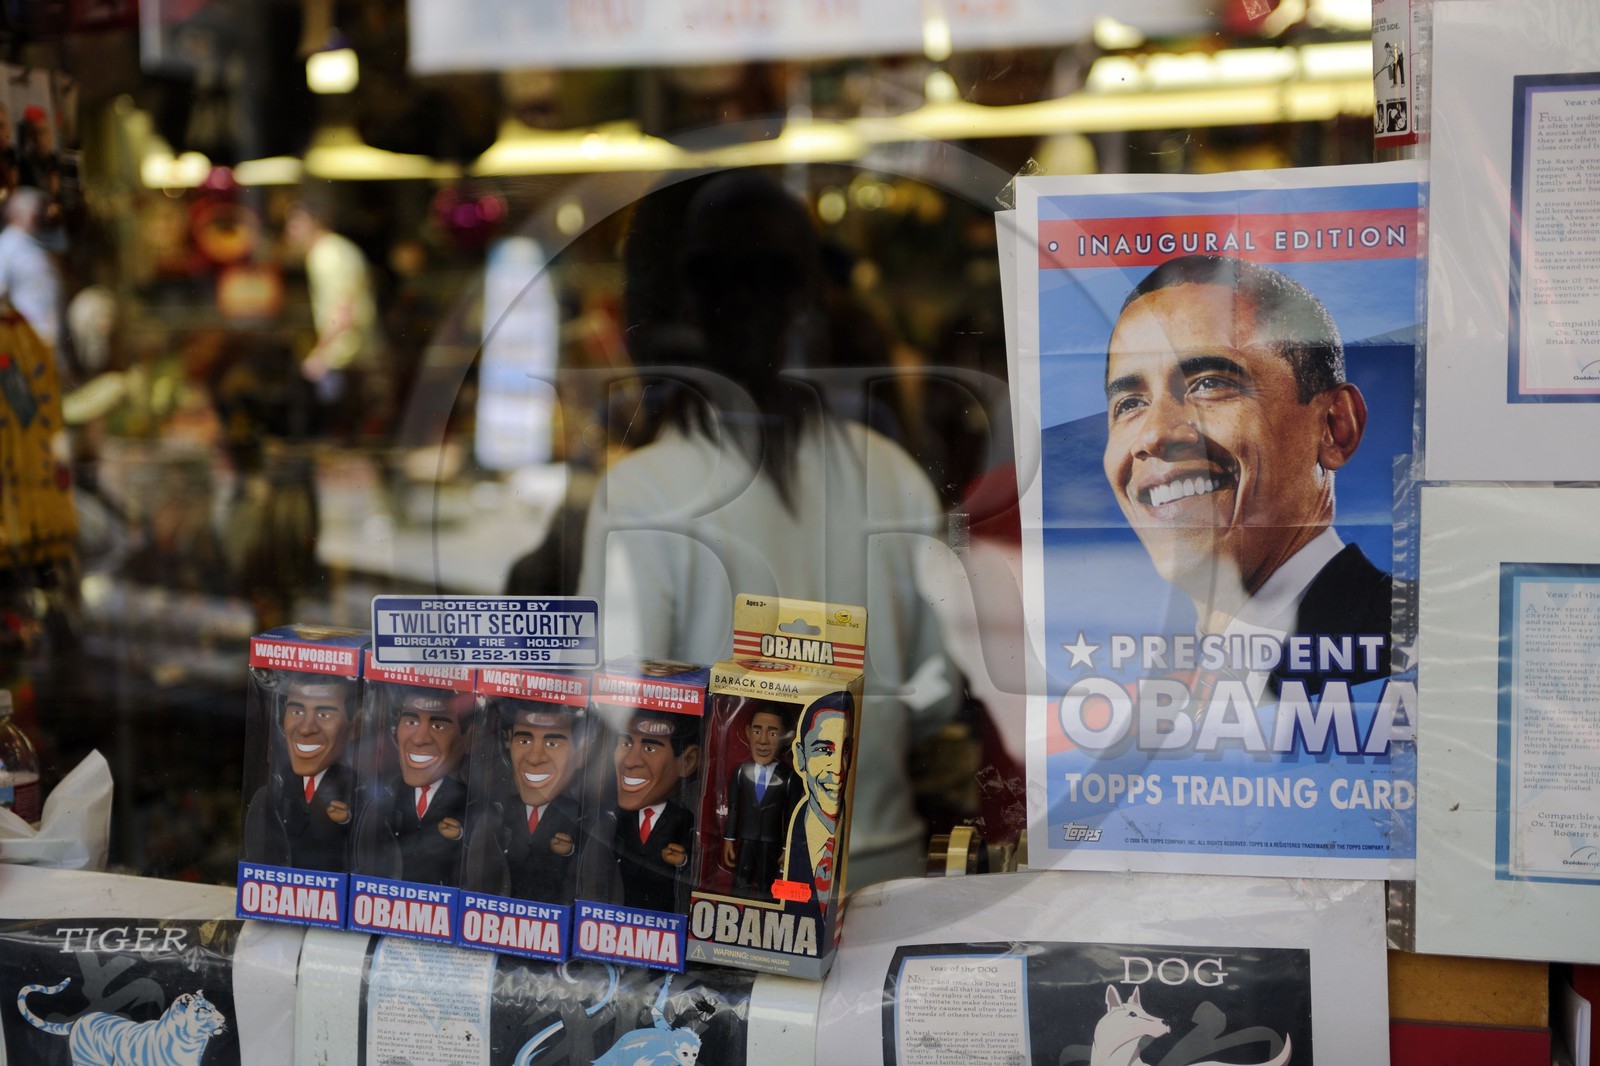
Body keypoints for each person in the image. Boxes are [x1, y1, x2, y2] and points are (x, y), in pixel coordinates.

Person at [577, 170, 962, 889]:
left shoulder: (643, 490)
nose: (751, 303)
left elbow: (621, 710)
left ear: (691, 303)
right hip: (871, 868)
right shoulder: (894, 475)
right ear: (812, 299)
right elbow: (934, 693)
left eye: (764, 280)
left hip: (726, 878)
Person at [1101, 254, 1392, 691]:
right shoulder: (1140, 680)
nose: (1154, 435)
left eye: (1211, 383)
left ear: (1335, 427)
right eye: (1130, 404)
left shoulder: (1417, 642)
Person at [283, 198, 386, 437]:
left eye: (295, 223)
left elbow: (343, 311)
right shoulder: (338, 249)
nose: (290, 231)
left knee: (342, 435)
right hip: (358, 356)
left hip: (346, 358)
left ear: (314, 222)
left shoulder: (326, 255)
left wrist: (320, 354)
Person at [242, 673, 358, 872]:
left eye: (324, 715)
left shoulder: (355, 788)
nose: (306, 728)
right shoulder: (275, 788)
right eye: (296, 712)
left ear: (355, 727)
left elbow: (369, 850)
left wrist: (347, 820)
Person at [608, 709, 700, 914]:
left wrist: (682, 860)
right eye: (626, 744)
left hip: (664, 902)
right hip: (624, 897)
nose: (630, 761)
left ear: (687, 761)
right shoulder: (622, 815)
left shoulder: (681, 818)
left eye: (650, 748)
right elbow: (613, 846)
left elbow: (693, 862)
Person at [499, 703, 588, 905]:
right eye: (524, 740)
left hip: (552, 902)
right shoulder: (506, 806)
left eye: (552, 744)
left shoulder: (574, 813)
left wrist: (569, 850)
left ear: (581, 752)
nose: (535, 757)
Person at [387, 689, 474, 886]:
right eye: (411, 722)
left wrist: (460, 835)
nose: (419, 739)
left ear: (469, 739)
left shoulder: (466, 799)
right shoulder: (389, 792)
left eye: (438, 726)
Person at [778, 692, 852, 917]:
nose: (837, 769)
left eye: (845, 750)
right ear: (800, 757)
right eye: (823, 750)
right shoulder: (789, 831)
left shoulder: (851, 833)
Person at [720, 706, 793, 898]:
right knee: (739, 883)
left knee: (765, 886)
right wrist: (728, 840)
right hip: (746, 839)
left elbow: (792, 813)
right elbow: (733, 808)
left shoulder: (788, 777)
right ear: (747, 732)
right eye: (757, 730)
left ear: (786, 737)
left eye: (772, 733)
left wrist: (787, 848)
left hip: (772, 842)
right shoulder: (741, 772)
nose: (762, 740)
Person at [0, 187, 63, 357]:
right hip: (25, 349)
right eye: (35, 211)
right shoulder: (6, 246)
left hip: (47, 343)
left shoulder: (33, 245)